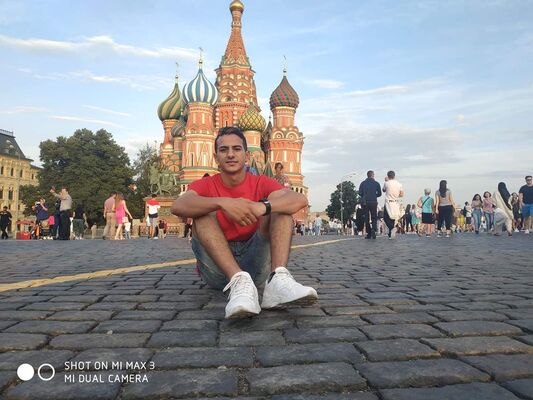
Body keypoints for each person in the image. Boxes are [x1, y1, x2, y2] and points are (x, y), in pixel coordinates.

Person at [170, 126, 317, 319]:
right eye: (224, 150)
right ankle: (238, 280)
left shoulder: (261, 182)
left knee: (280, 210)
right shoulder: (206, 184)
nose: (230, 154)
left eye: (236, 149)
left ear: (247, 156)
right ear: (215, 158)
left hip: (256, 265)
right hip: (218, 272)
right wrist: (222, 203)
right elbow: (179, 205)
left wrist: (262, 207)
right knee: (202, 214)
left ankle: (278, 280)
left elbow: (298, 200)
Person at [358, 170, 381, 239]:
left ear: (367, 175)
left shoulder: (363, 183)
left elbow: (359, 193)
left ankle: (369, 233)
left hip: (365, 202)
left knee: (366, 217)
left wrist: (364, 195)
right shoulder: (376, 183)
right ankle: (374, 229)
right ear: (373, 175)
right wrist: (374, 195)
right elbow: (380, 193)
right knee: (374, 217)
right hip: (373, 202)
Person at [382, 170, 404, 239]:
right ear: (394, 176)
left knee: (386, 218)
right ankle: (390, 233)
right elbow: (402, 194)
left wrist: (386, 181)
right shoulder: (399, 184)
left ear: (388, 176)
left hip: (388, 203)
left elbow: (383, 190)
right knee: (393, 218)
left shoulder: (386, 183)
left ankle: (392, 228)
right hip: (395, 202)